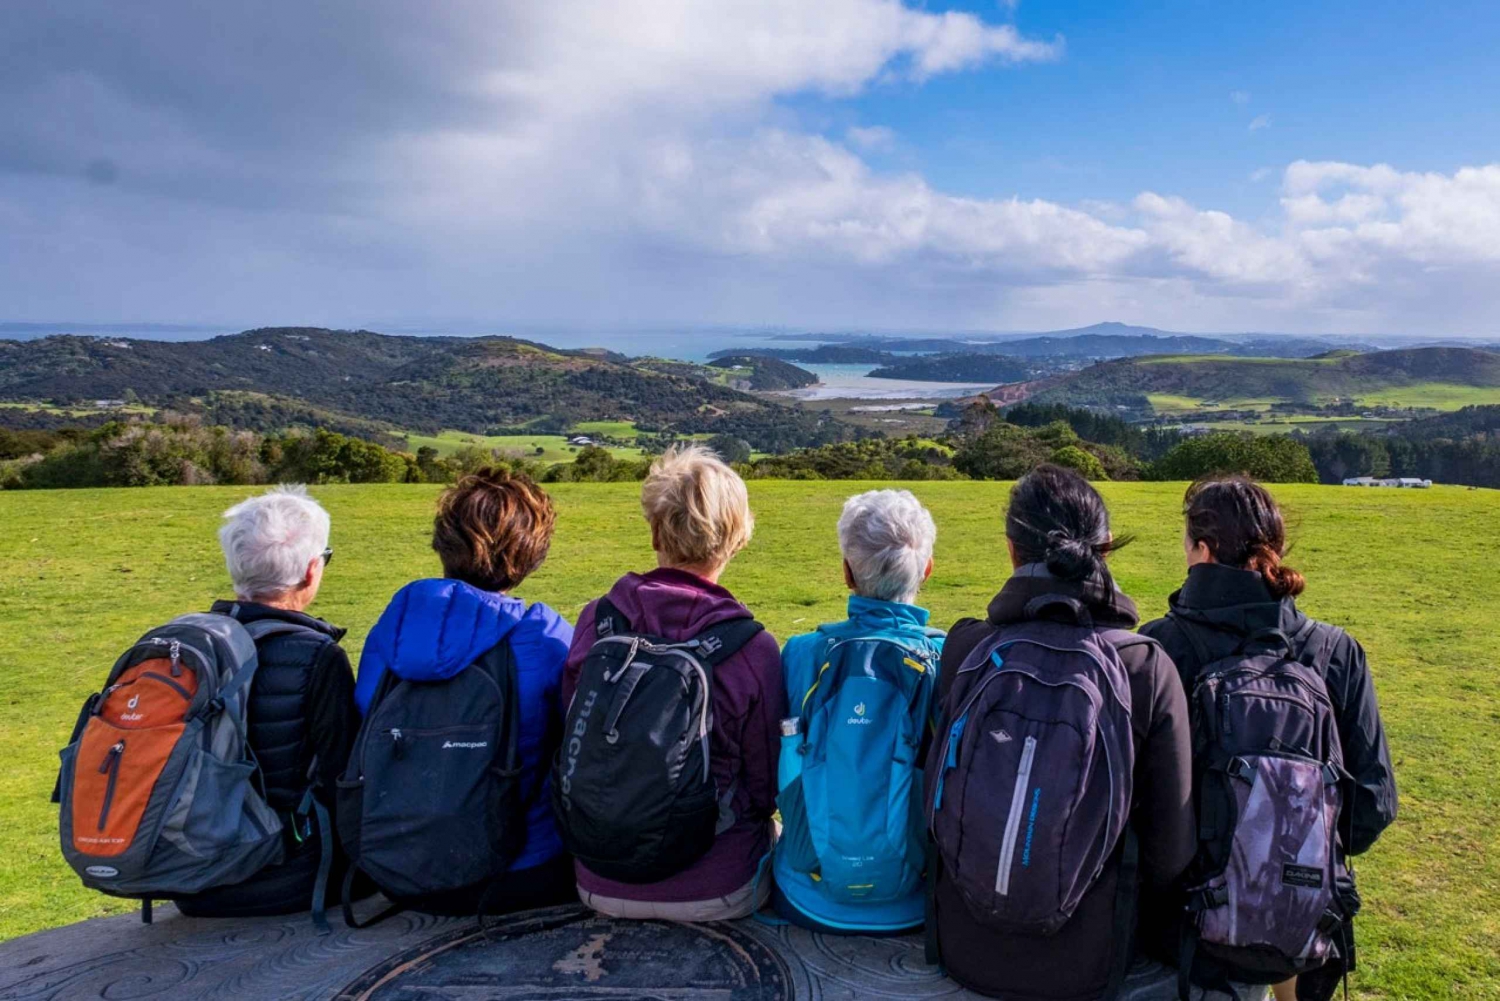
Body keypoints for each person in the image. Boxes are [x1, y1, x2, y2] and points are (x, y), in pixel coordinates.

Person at [929, 464, 1195, 1001]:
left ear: (1011, 550)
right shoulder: (1143, 666)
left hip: (959, 945)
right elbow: (1172, 851)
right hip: (1089, 960)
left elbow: (929, 801)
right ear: (1104, 549)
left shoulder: (965, 649)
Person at [1140, 477, 1397, 1001]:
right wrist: (1288, 863)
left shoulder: (1159, 647)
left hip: (1182, 935)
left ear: (1202, 551)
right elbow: (1373, 803)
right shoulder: (1335, 652)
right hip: (1298, 931)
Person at [560, 444, 785, 921]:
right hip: (717, 888)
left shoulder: (597, 620)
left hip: (597, 879)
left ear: (655, 529)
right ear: (738, 537)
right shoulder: (751, 647)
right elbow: (766, 788)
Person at [354, 468, 575, 914]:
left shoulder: (392, 628)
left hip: (398, 871)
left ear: (443, 544)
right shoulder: (542, 632)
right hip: (522, 874)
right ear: (532, 554)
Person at [174, 485, 362, 918]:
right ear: (312, 571)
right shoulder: (317, 656)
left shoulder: (190, 645)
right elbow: (344, 778)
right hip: (292, 880)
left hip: (192, 875)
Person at [774, 489, 945, 933]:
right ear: (926, 570)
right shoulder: (947, 658)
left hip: (808, 896)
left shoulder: (801, 653)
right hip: (916, 900)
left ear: (847, 573)